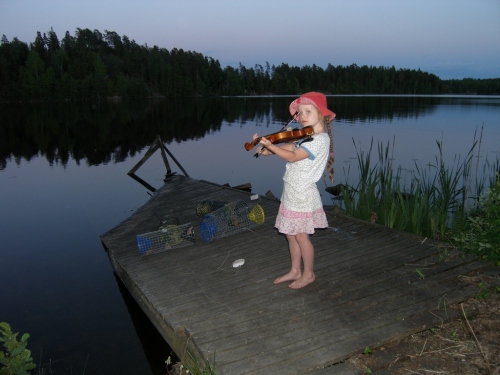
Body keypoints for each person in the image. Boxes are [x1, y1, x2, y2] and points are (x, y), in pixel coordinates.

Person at [253, 92, 335, 289]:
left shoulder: (320, 140)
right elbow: (291, 145)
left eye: (308, 111)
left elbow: (293, 156)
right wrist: (268, 151)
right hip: (291, 194)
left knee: (301, 236)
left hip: (303, 196)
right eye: (300, 113)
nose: (303, 116)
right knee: (290, 234)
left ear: (322, 114)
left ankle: (309, 274)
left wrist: (271, 146)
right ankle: (295, 270)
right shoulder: (307, 135)